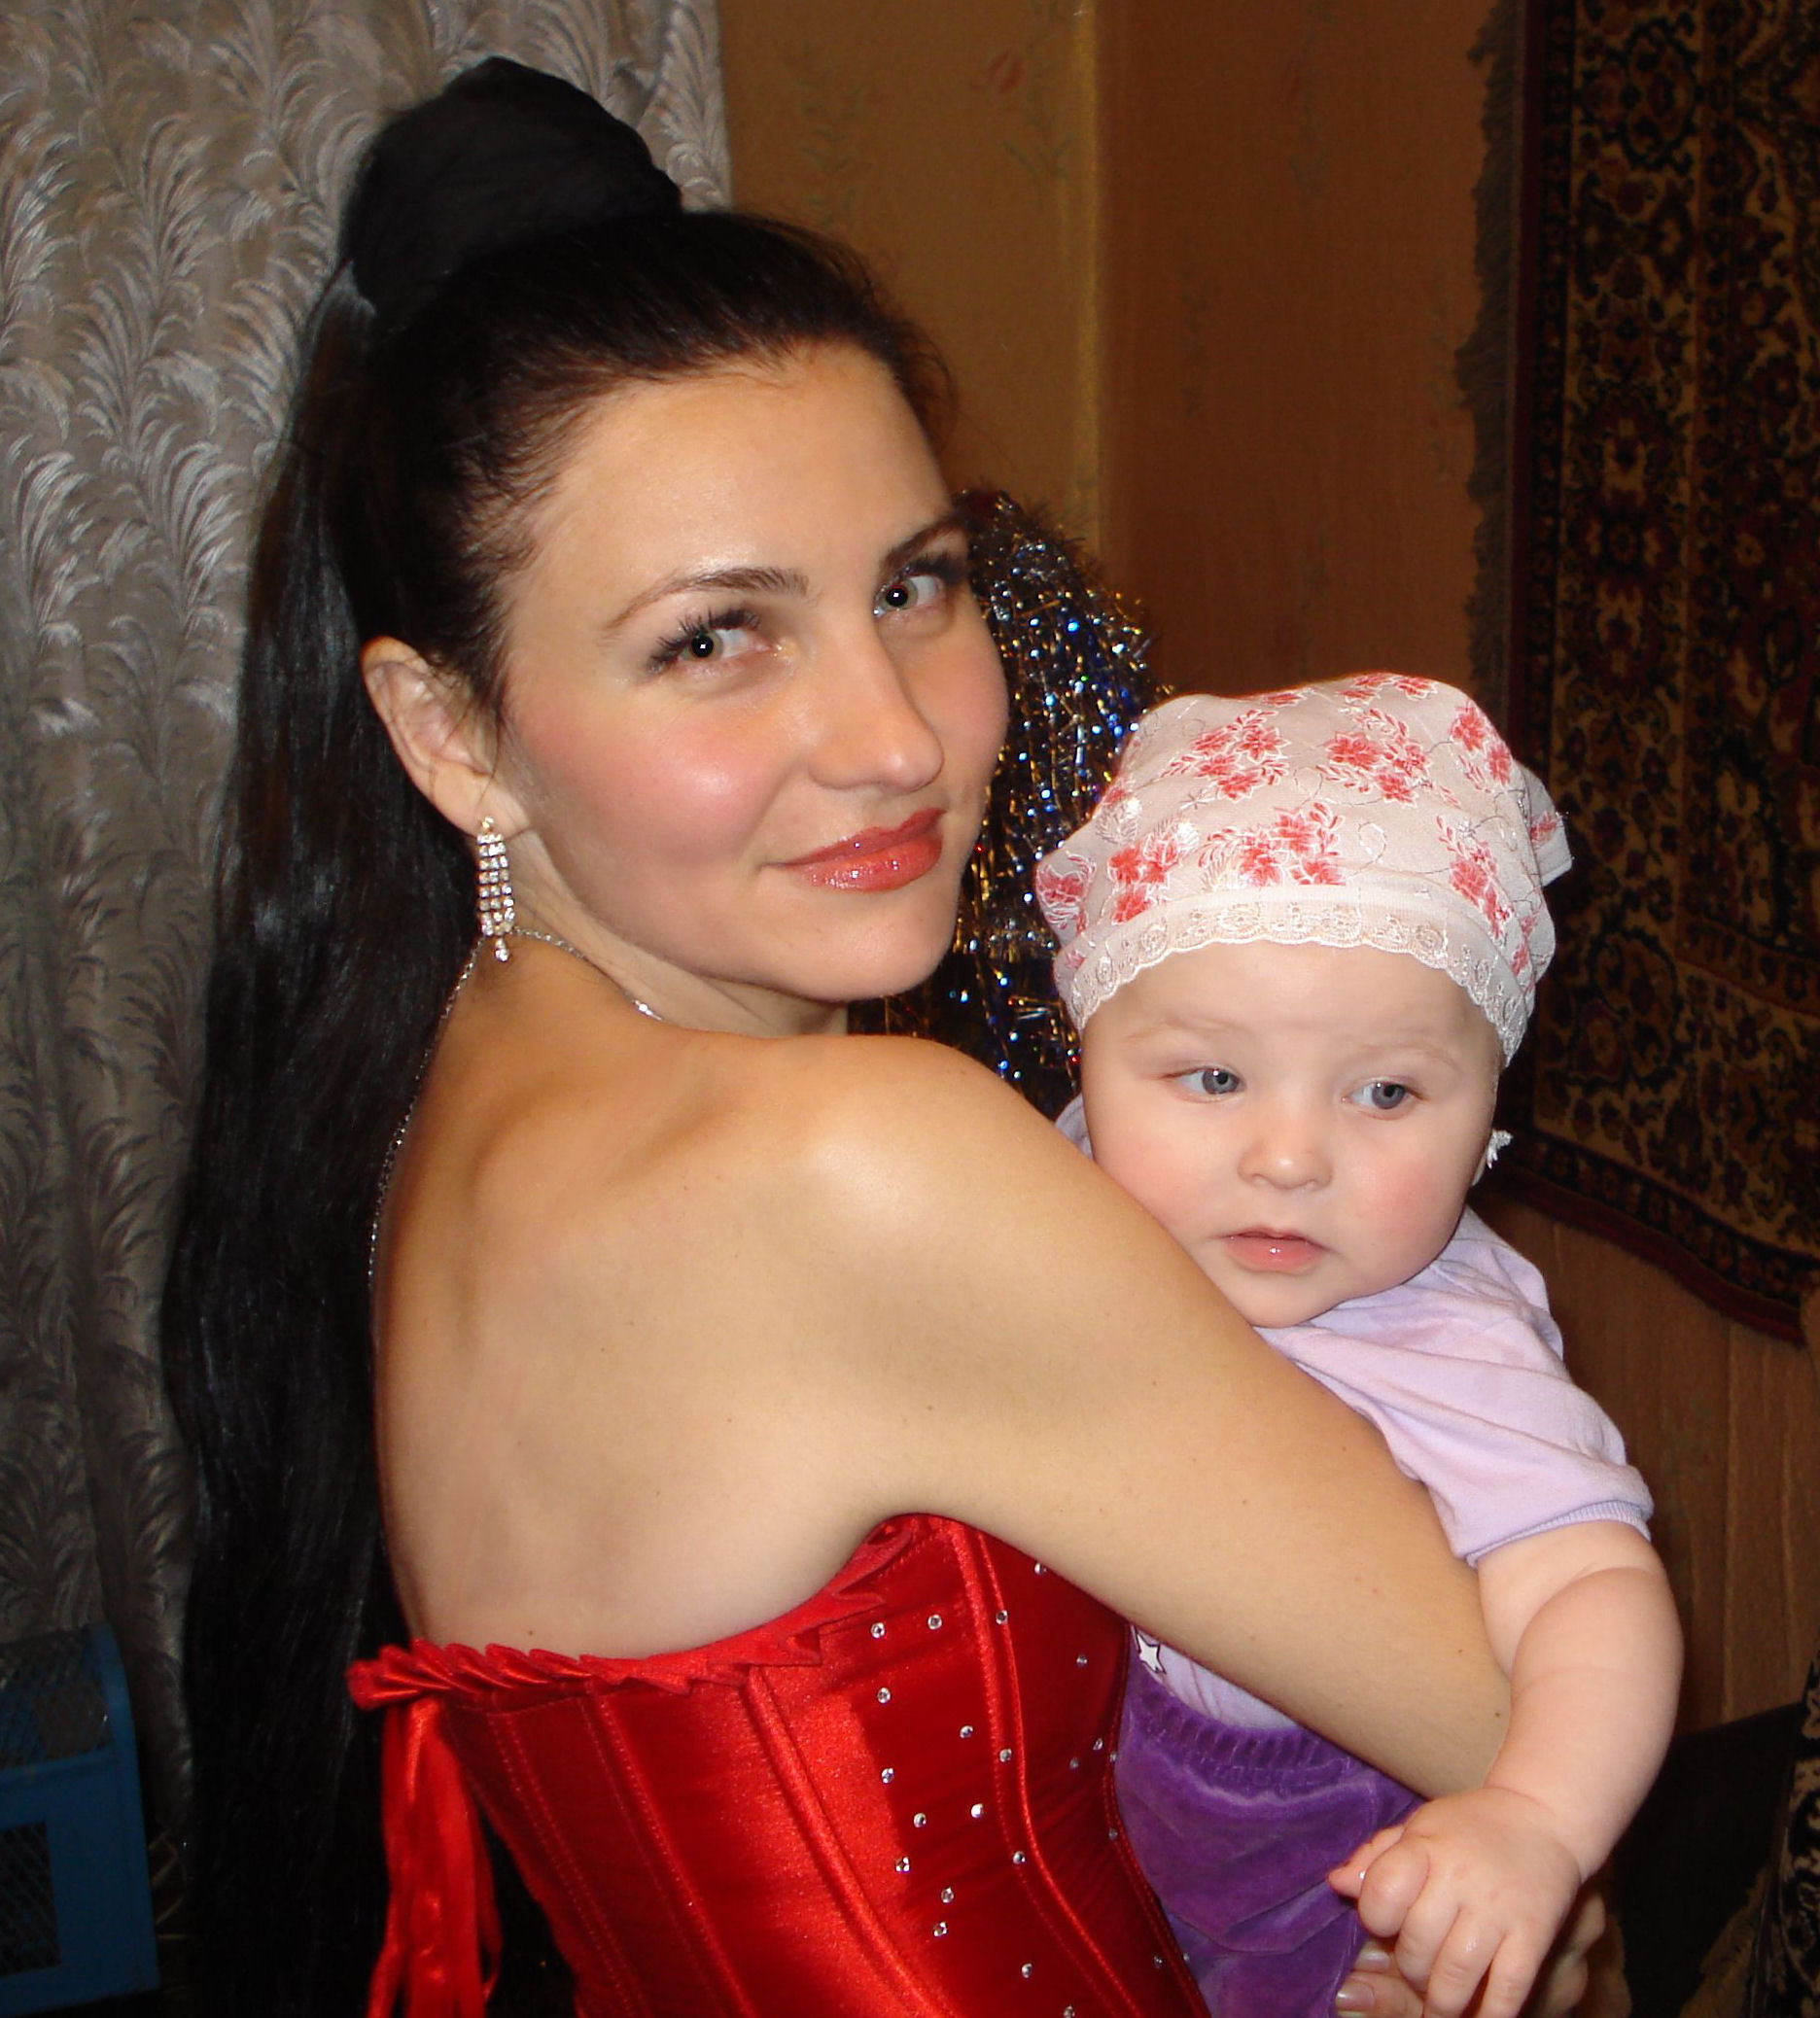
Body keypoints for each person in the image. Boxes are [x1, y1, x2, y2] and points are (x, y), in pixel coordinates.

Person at [161, 60, 1607, 2018]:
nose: (898, 737)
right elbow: (1525, 1754)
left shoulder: (443, 1082)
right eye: (714, 637)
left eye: (914, 586)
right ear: (449, 732)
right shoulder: (851, 1168)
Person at [1034, 676, 1683, 2018]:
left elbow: (1591, 1590)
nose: (1289, 1159)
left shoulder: (1449, 1337)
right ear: (1087, 1056)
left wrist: (1534, 1824)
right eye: (1214, 1078)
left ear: (1490, 1112)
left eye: (1386, 1092)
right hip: (1064, 1829)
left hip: (1319, 1894)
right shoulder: (1046, 1194)